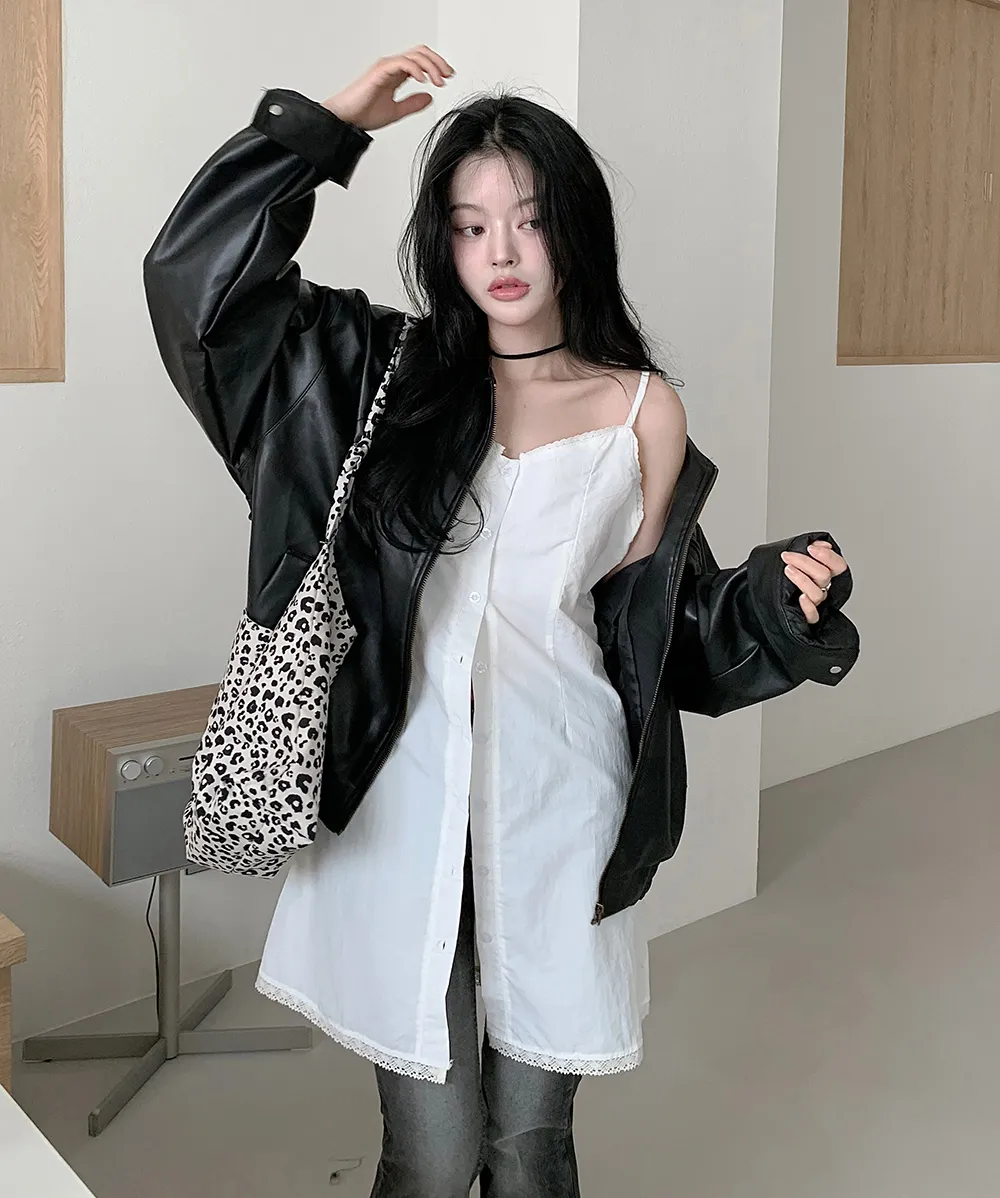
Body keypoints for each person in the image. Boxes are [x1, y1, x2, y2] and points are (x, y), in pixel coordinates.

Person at [143, 45, 859, 1198]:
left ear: (574, 229)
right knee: (430, 1158)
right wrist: (322, 127)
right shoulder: (372, 377)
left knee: (529, 1152)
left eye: (528, 221)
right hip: (397, 814)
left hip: (560, 810)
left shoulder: (642, 409)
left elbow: (660, 631)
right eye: (471, 227)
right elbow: (194, 286)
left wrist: (776, 604)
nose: (503, 253)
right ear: (443, 243)